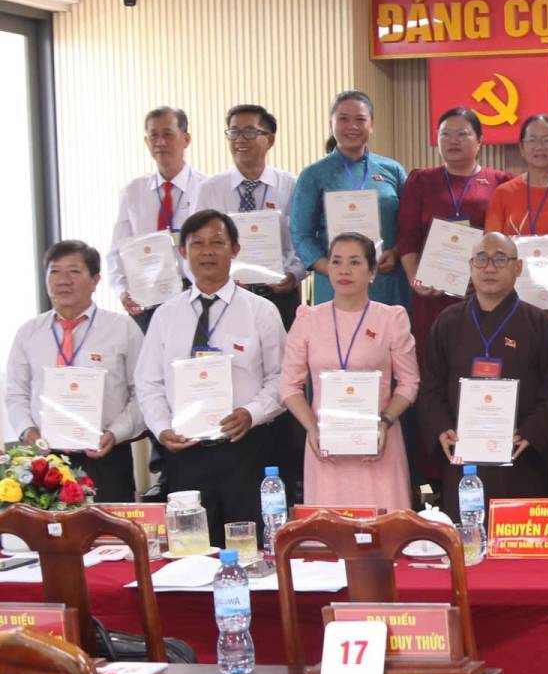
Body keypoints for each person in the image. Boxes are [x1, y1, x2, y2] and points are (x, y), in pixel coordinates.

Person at [132, 209, 287, 541]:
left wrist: (252, 413)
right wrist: (162, 428)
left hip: (245, 448)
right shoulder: (166, 315)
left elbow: (281, 378)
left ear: (235, 250)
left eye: (217, 243)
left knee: (249, 546)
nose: (207, 252)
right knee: (192, 547)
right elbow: (148, 383)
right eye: (197, 244)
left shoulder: (261, 310)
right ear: (182, 252)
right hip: (185, 453)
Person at [416, 232, 548, 516]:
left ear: (518, 267)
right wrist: (442, 428)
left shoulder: (538, 324)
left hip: (520, 457)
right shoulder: (448, 322)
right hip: (463, 457)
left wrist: (531, 433)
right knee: (466, 537)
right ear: (470, 266)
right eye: (481, 259)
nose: (489, 268)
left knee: (521, 537)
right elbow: (430, 385)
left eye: (500, 259)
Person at [276, 233, 418, 513]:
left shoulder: (391, 318)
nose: (344, 270)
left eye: (355, 262)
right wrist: (312, 428)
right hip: (324, 447)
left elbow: (409, 382)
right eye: (336, 261)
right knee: (330, 532)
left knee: (385, 530)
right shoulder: (307, 319)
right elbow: (289, 386)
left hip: (379, 444)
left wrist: (385, 421)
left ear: (372, 271)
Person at [6, 240, 145, 501]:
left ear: (95, 279)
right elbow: (15, 393)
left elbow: (142, 393)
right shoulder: (29, 333)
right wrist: (28, 431)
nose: (63, 280)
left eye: (74, 271)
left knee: (109, 527)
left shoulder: (122, 329)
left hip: (106, 458)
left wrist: (115, 433)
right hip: (45, 462)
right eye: (55, 271)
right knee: (50, 528)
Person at [398, 106, 511, 352]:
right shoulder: (421, 181)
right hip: (431, 292)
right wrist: (415, 278)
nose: (453, 141)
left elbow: (507, 240)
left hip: (481, 290)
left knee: (480, 355)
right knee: (432, 354)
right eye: (445, 134)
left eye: (462, 134)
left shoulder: (500, 182)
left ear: (479, 140)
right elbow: (407, 235)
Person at [288, 90, 409, 307]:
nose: (352, 126)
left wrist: (397, 252)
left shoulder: (393, 170)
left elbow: (410, 224)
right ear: (331, 124)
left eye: (360, 119)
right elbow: (300, 233)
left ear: (371, 124)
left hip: (386, 278)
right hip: (334, 283)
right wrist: (331, 268)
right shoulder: (313, 175)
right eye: (343, 119)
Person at [191, 104, 303, 329]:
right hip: (225, 295)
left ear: (270, 140)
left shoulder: (292, 185)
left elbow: (302, 238)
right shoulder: (209, 189)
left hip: (279, 295)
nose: (240, 139)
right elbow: (194, 243)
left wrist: (294, 274)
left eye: (249, 132)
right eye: (233, 132)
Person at [486, 115, 548, 341]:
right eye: (532, 140)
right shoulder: (503, 194)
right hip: (513, 303)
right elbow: (492, 249)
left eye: (547, 140)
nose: (539, 147)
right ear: (522, 147)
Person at [106, 107, 205, 331]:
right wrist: (123, 291)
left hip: (193, 294)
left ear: (186, 139)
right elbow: (117, 250)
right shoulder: (133, 191)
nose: (160, 142)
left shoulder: (205, 188)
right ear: (146, 141)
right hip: (146, 298)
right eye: (153, 135)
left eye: (168, 134)